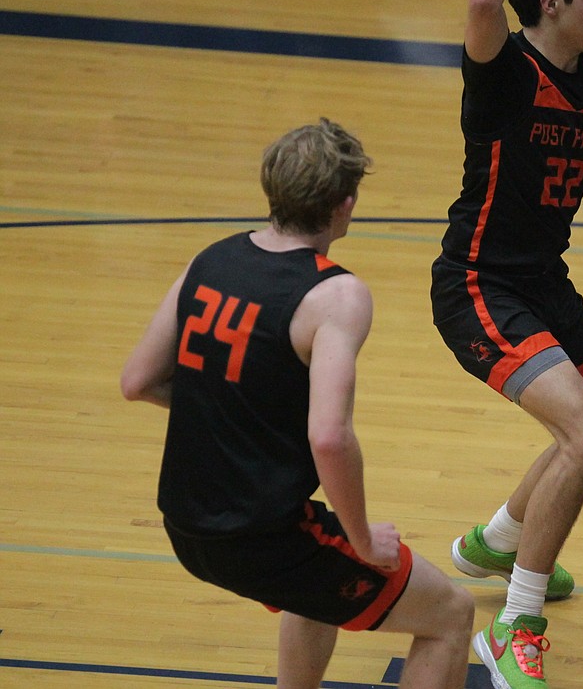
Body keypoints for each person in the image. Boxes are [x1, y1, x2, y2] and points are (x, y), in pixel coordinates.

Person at [121, 119, 475, 689]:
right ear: (345, 204)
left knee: (313, 587)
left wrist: (233, 412)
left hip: (186, 524)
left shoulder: (210, 260)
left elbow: (137, 381)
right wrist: (362, 539)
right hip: (261, 537)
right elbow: (329, 437)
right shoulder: (335, 295)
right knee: (450, 616)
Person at [429, 0, 583, 685]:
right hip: (478, 284)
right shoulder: (504, 72)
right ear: (551, 3)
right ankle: (513, 624)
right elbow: (486, 0)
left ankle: (497, 540)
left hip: (544, 283)